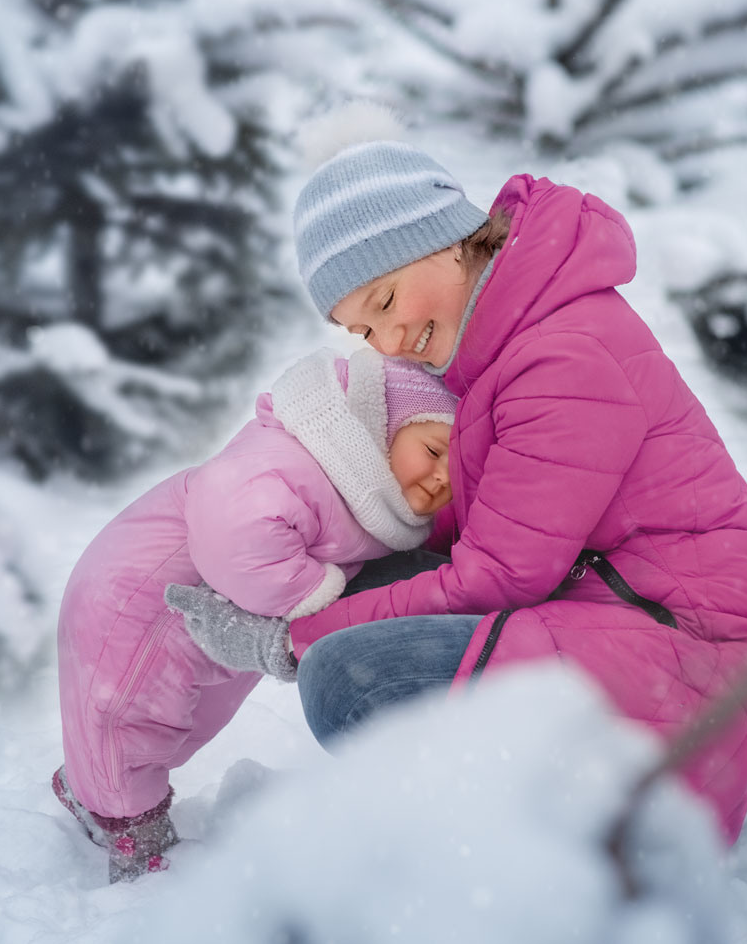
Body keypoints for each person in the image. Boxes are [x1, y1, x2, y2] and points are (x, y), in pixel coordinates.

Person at [168, 138, 747, 845]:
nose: (390, 339)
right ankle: (477, 838)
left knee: (351, 678)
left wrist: (294, 639)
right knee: (375, 586)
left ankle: (509, 859)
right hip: (617, 610)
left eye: (386, 300)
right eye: (363, 329)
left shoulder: (560, 355)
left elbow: (498, 574)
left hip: (692, 662)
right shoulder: (511, 342)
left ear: (449, 243)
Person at [52, 345, 456, 880]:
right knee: (126, 719)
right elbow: (231, 520)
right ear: (381, 426)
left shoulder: (367, 494)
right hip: (137, 605)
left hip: (212, 616)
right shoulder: (304, 460)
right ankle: (126, 831)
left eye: (455, 473)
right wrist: (314, 594)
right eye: (432, 450)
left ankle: (97, 791)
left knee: (183, 724)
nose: (439, 478)